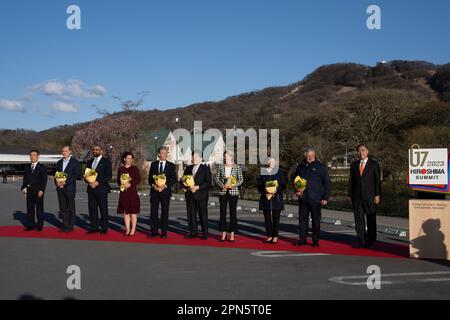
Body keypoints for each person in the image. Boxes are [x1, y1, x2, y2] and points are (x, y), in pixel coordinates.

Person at [293, 148, 331, 247]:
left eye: (312, 156)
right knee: (302, 220)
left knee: (316, 221)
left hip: (316, 199)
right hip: (303, 199)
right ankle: (302, 239)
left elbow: (327, 182)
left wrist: (326, 197)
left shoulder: (321, 167)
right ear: (305, 156)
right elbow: (295, 180)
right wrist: (296, 190)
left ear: (315, 156)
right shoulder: (300, 167)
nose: (310, 157)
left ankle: (315, 241)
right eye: (308, 156)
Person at [348, 144, 381, 249]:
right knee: (359, 219)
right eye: (359, 151)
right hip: (357, 197)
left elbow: (377, 181)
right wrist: (349, 194)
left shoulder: (374, 164)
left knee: (371, 220)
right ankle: (361, 241)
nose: (361, 152)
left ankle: (371, 241)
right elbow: (351, 181)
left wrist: (377, 194)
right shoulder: (354, 165)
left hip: (370, 196)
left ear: (367, 151)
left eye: (363, 150)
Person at [180, 150, 211, 240]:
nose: (194, 158)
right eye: (193, 156)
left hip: (201, 195)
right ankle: (193, 232)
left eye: (196, 156)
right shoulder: (188, 168)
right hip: (190, 195)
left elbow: (208, 182)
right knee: (191, 215)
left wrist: (198, 187)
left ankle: (205, 233)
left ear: (201, 158)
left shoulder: (205, 168)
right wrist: (183, 187)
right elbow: (182, 180)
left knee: (203, 215)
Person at [147, 146, 177, 238]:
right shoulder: (153, 164)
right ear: (159, 154)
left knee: (165, 212)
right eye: (163, 153)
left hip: (165, 192)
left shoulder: (171, 165)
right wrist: (153, 185)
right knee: (154, 212)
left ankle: (164, 232)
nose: (165, 155)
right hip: (155, 192)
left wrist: (165, 185)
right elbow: (150, 178)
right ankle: (154, 231)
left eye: (166, 153)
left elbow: (174, 179)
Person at [215, 150, 243, 242]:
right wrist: (222, 185)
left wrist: (234, 185)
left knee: (232, 213)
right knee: (222, 213)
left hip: (233, 192)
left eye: (227, 156)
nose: (226, 158)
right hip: (223, 192)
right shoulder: (221, 167)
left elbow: (241, 179)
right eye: (225, 156)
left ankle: (232, 234)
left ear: (231, 157)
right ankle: (223, 233)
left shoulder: (237, 167)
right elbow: (217, 178)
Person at [257, 157, 286, 244]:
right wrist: (265, 190)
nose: (271, 162)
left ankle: (275, 236)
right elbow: (259, 185)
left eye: (272, 161)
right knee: (267, 218)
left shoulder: (279, 172)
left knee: (276, 219)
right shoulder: (263, 172)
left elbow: (283, 184)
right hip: (265, 198)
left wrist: (276, 190)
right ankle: (269, 236)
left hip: (276, 198)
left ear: (275, 162)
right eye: (269, 161)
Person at [85, 145, 112, 234]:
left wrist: (97, 182)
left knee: (103, 209)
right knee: (92, 209)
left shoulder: (106, 162)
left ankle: (104, 228)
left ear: (101, 151)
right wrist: (89, 182)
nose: (95, 151)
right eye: (93, 150)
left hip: (102, 189)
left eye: (97, 150)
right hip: (91, 189)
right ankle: (94, 227)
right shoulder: (90, 162)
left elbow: (108, 176)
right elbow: (86, 175)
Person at [21, 150, 48, 231]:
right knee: (30, 209)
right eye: (31, 155)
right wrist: (24, 189)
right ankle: (30, 225)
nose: (32, 157)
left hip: (38, 191)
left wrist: (42, 190)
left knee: (39, 209)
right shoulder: (27, 167)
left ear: (38, 156)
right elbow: (25, 179)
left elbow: (44, 180)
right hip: (29, 191)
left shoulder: (42, 167)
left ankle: (39, 226)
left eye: (34, 155)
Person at [55, 146, 80, 233]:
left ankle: (70, 226)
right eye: (63, 151)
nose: (64, 152)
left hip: (70, 188)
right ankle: (65, 225)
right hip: (60, 188)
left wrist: (65, 182)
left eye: (66, 151)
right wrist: (57, 183)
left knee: (70, 208)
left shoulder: (75, 162)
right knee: (62, 208)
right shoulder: (59, 162)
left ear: (70, 152)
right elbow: (56, 174)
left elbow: (76, 175)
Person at [117, 152, 141, 236]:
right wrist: (121, 185)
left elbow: (138, 179)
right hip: (124, 192)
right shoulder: (120, 169)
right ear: (124, 159)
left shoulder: (135, 169)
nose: (130, 160)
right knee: (126, 212)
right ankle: (127, 229)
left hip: (132, 192)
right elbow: (118, 180)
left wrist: (130, 184)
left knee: (133, 212)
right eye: (128, 158)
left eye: (131, 158)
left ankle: (133, 229)